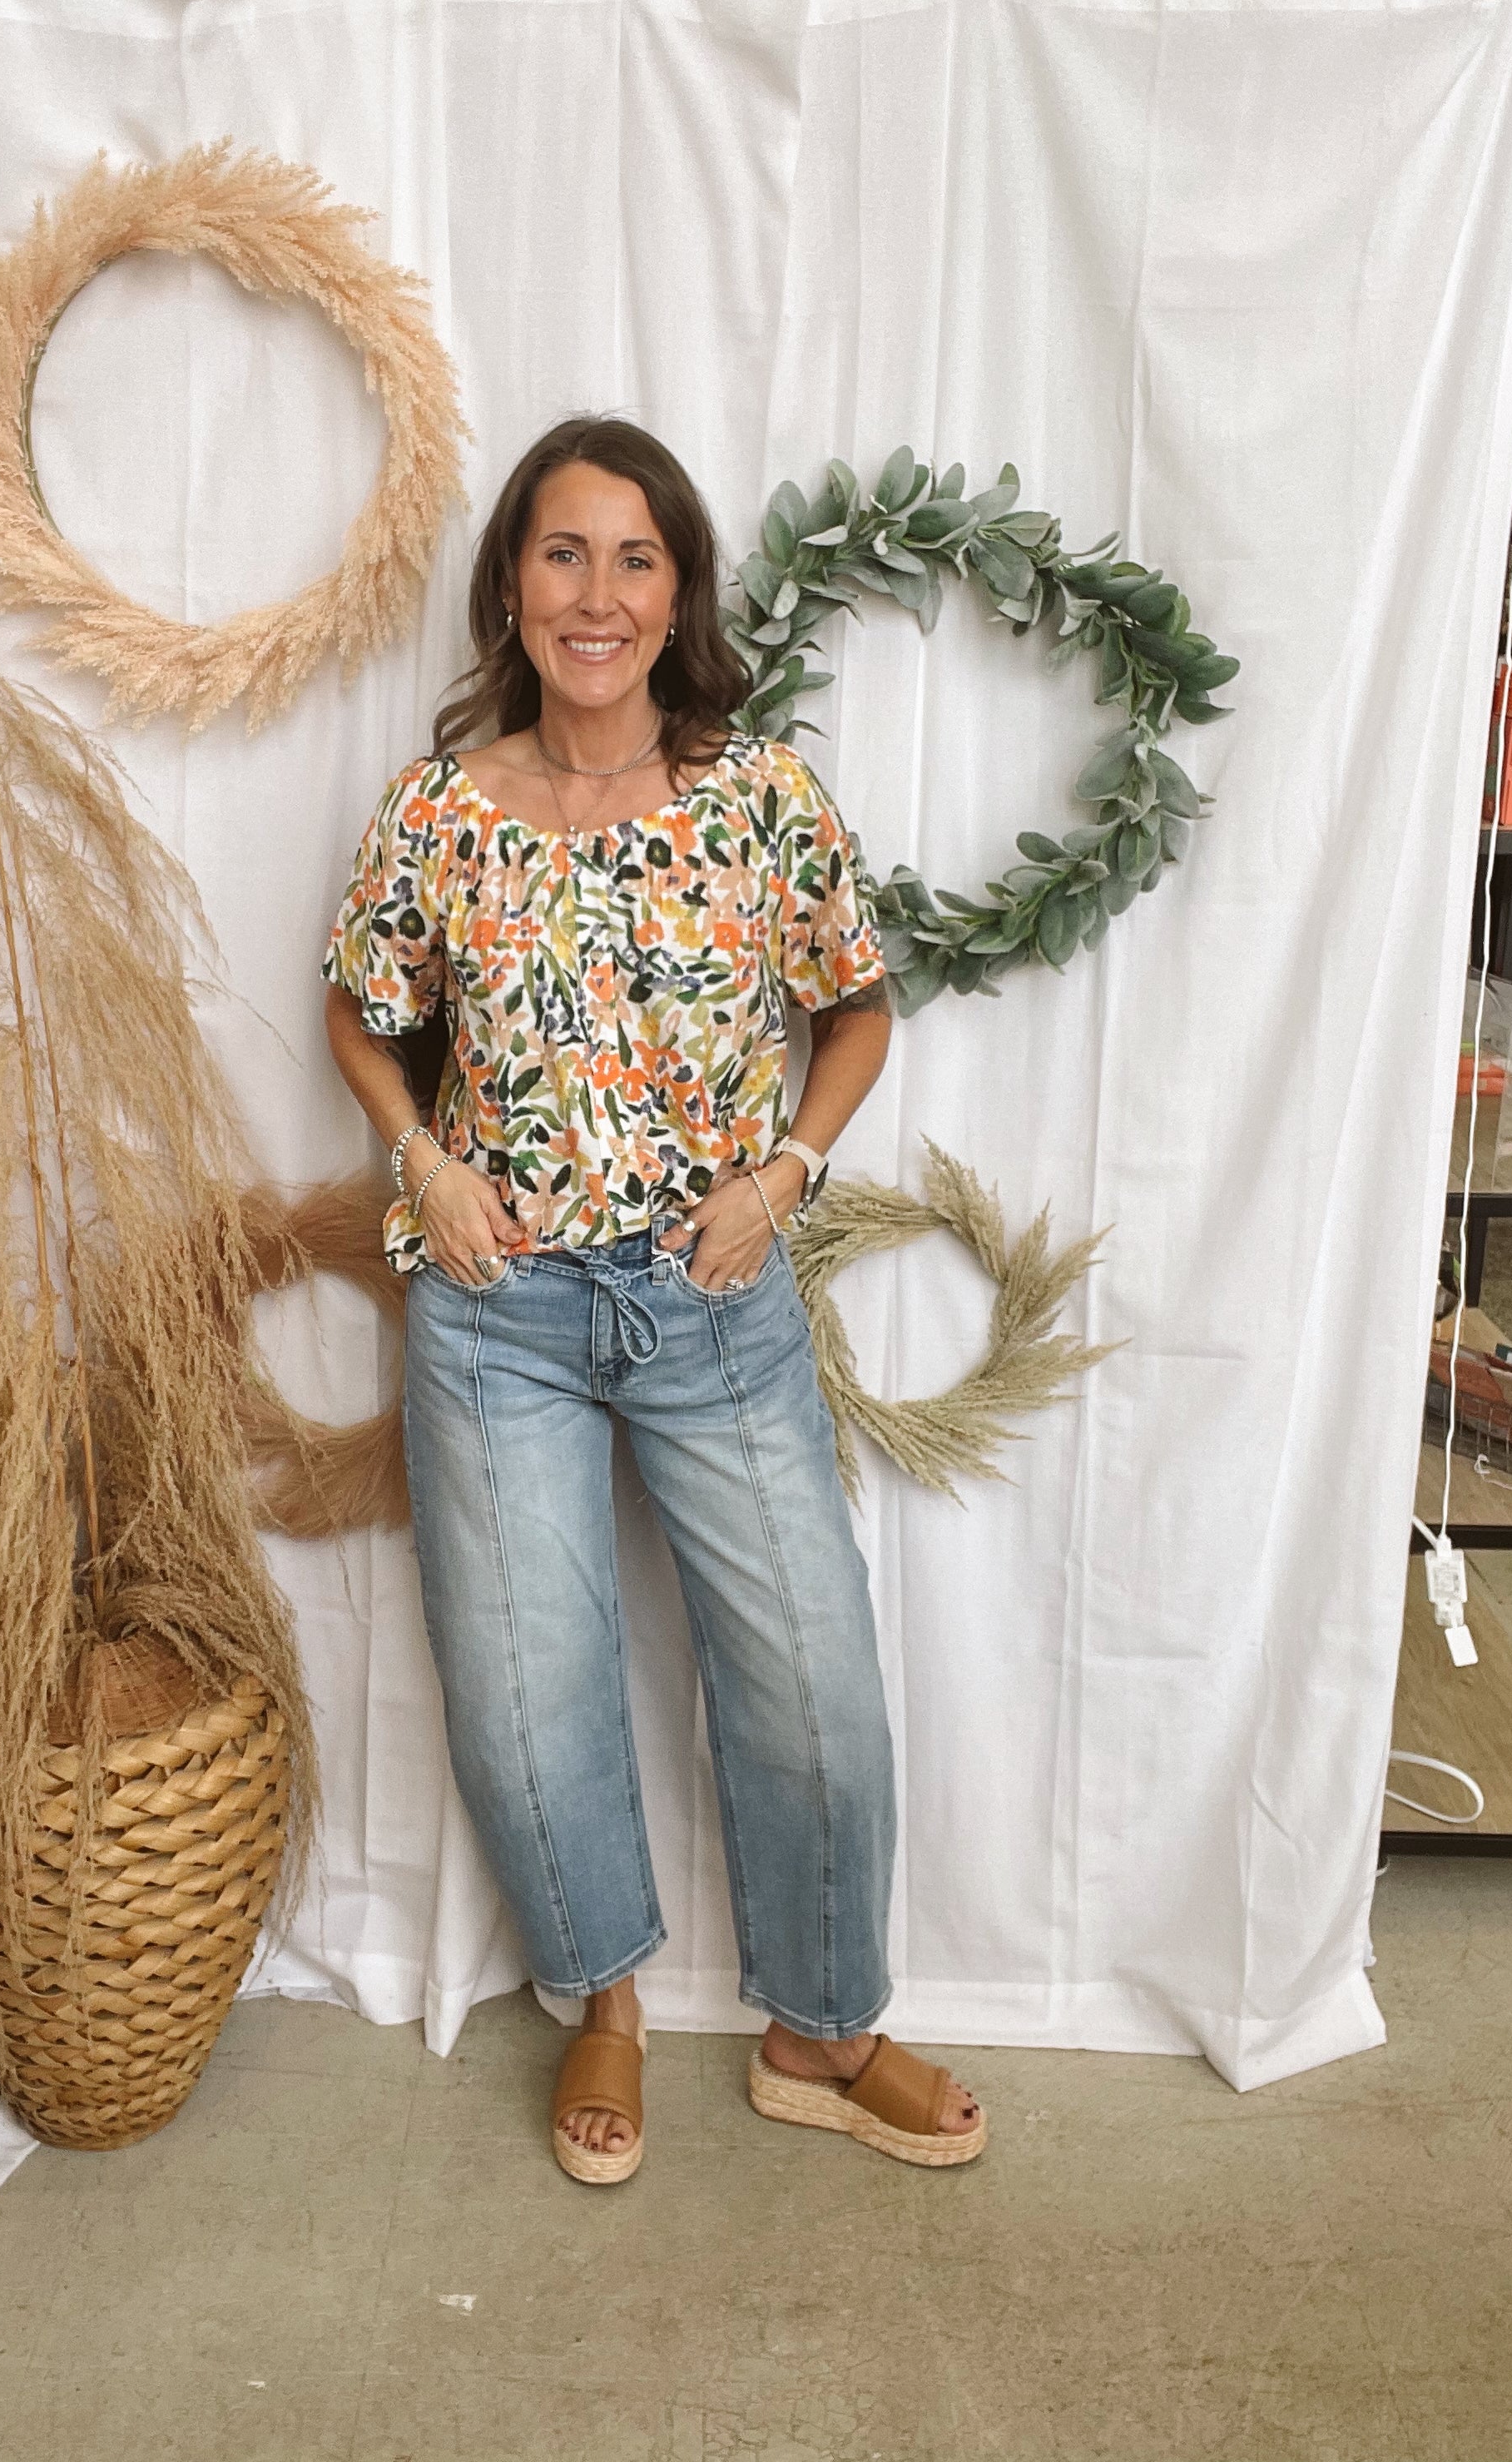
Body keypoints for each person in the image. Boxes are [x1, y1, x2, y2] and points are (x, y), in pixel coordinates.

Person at [322, 414, 985, 2184]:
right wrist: (420, 1155)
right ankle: (601, 1999)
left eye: (633, 558)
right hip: (497, 1308)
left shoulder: (762, 797)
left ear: (676, 589)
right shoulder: (438, 808)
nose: (595, 594)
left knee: (816, 1680)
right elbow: (360, 1006)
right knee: (526, 1689)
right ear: (513, 586)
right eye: (562, 553)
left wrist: (785, 1175)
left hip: (715, 1300)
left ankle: (822, 2029)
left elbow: (856, 1000)